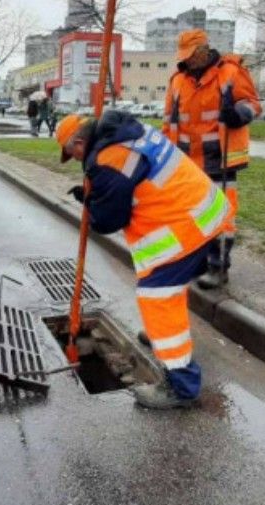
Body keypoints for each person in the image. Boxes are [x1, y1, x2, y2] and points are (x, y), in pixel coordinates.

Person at [56, 111, 231, 410]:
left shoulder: (109, 160)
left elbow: (109, 219)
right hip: (203, 210)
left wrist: (90, 201)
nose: (74, 160)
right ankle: (161, 335)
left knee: (157, 296)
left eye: (72, 153)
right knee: (169, 292)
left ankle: (182, 387)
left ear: (81, 141)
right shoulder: (126, 133)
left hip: (183, 227)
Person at [163, 29, 260, 287]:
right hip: (186, 162)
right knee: (193, 216)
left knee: (220, 217)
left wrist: (239, 113)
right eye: (184, 56)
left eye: (192, 55)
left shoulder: (229, 72)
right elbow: (168, 121)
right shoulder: (177, 80)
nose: (188, 61)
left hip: (219, 159)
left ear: (204, 50)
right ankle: (201, 263)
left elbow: (252, 103)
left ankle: (219, 267)